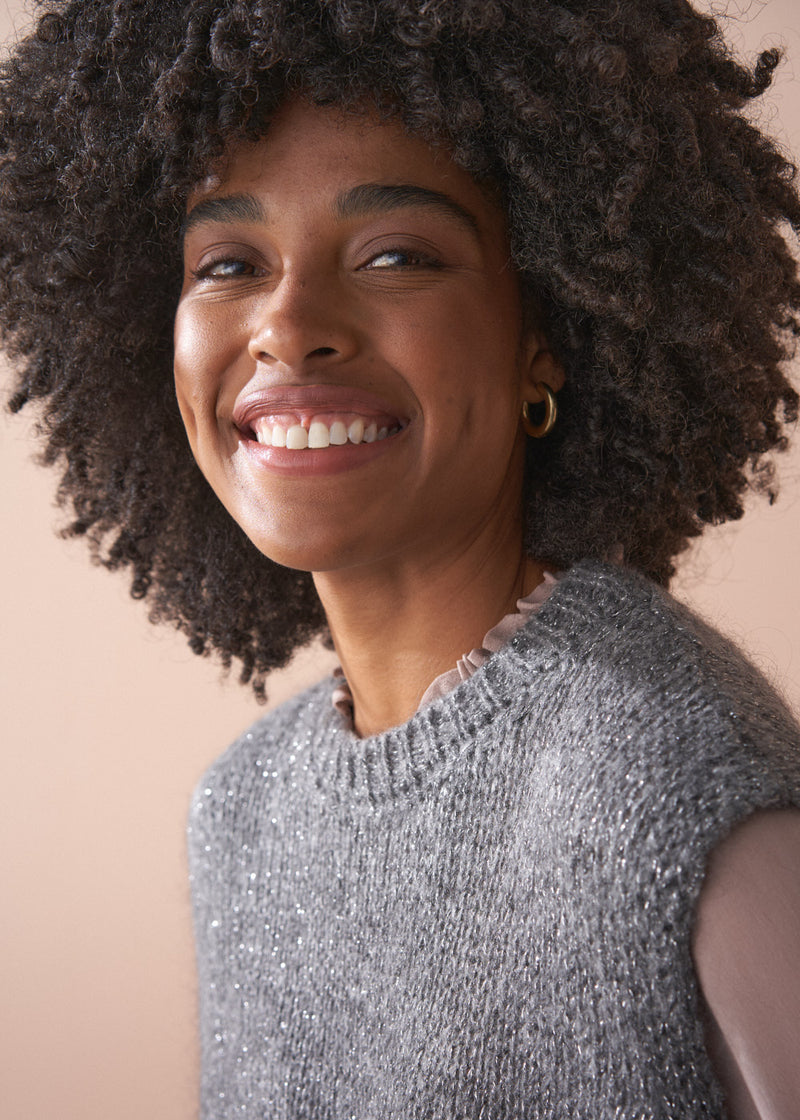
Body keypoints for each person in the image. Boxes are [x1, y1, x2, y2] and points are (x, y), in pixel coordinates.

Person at [1, 0, 799, 1116]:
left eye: (394, 254)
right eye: (227, 262)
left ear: (545, 334)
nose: (289, 324)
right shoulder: (242, 814)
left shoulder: (673, 785)